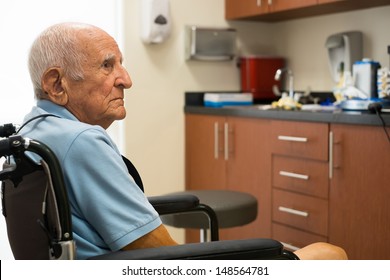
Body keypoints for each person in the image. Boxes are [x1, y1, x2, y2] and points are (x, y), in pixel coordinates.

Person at [20, 22, 347, 260]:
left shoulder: (34, 132)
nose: (127, 79)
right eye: (107, 66)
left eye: (121, 64)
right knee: (329, 254)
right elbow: (162, 255)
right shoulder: (81, 142)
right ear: (56, 84)